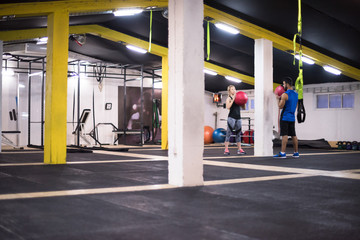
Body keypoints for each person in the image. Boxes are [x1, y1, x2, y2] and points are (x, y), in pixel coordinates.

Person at [273, 77, 299, 158]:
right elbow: (296, 106)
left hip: (284, 118)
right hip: (292, 118)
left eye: (284, 84)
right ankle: (296, 152)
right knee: (293, 135)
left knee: (285, 135)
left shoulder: (285, 94)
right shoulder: (296, 94)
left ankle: (283, 153)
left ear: (287, 84)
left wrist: (277, 99)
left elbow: (280, 106)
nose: (283, 85)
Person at [224, 85, 246, 155]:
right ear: (229, 91)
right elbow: (228, 107)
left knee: (238, 134)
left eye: (234, 89)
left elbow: (244, 108)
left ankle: (239, 149)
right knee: (229, 133)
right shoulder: (229, 98)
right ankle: (226, 149)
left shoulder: (238, 98)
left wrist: (244, 101)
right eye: (232, 89)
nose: (234, 90)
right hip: (231, 118)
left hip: (238, 118)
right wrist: (233, 99)